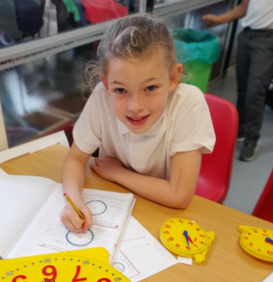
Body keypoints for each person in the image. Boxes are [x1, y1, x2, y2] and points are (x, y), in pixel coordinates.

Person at [60, 14, 216, 233]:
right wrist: (73, 202)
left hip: (162, 213)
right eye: (120, 90)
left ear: (173, 78)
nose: (135, 106)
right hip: (117, 201)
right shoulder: (100, 98)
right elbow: (75, 159)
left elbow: (179, 195)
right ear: (105, 83)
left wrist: (116, 173)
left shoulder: (188, 103)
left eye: (150, 88)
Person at [203, 0, 273, 161]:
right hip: (247, 35)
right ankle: (241, 130)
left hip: (268, 38)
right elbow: (244, 7)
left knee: (255, 91)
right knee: (242, 89)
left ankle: (251, 140)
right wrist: (220, 19)